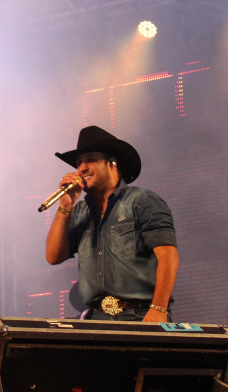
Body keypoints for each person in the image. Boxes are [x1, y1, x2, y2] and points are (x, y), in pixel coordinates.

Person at [45, 126, 178, 323]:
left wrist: (158, 308)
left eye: (90, 159)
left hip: (139, 315)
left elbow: (168, 256)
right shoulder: (79, 211)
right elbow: (53, 256)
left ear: (112, 163)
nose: (82, 168)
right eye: (79, 163)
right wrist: (65, 206)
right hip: (96, 318)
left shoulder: (142, 201)